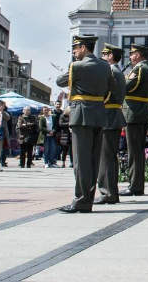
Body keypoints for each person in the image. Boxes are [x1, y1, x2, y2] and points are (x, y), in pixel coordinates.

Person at [56, 34, 111, 213]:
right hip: (99, 113)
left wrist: (72, 66)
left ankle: (81, 200)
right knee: (94, 160)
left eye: (76, 47)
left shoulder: (76, 66)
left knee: (81, 160)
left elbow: (59, 81)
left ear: (84, 48)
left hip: (81, 114)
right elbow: (109, 90)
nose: (74, 51)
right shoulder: (105, 66)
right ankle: (87, 199)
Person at [121, 43, 148, 197]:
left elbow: (127, 87)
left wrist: (120, 80)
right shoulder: (144, 68)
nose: (130, 56)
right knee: (136, 152)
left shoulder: (140, 69)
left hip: (135, 113)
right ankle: (136, 185)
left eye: (133, 53)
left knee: (134, 152)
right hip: (138, 113)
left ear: (139, 54)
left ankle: (134, 186)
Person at [96, 43, 126, 205]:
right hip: (113, 115)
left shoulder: (111, 71)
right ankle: (111, 191)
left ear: (110, 56)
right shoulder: (117, 71)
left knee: (105, 157)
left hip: (108, 115)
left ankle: (108, 192)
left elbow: (104, 93)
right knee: (109, 157)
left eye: (105, 54)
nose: (102, 57)